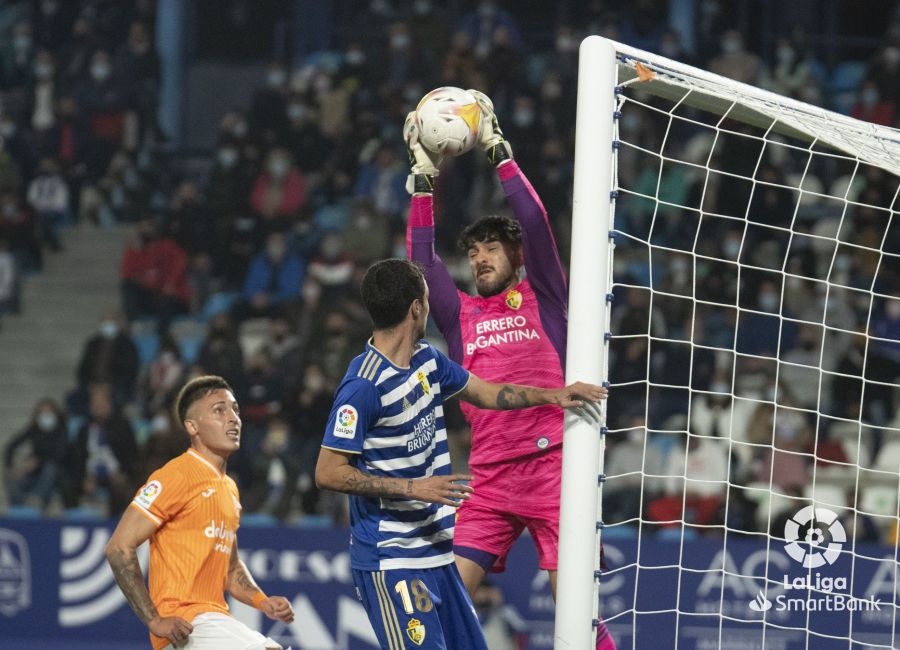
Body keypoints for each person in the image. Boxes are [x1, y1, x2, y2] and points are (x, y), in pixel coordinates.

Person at [404, 90, 617, 648]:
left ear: (515, 258)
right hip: (490, 478)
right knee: (444, 603)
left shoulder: (546, 296)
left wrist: (499, 152)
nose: (480, 259)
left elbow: (534, 220)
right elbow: (421, 265)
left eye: (491, 249)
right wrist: (423, 180)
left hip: (557, 470)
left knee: (578, 619)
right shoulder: (459, 316)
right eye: (473, 252)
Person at [315, 259, 605, 650]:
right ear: (417, 307)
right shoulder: (364, 386)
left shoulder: (428, 360)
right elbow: (328, 472)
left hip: (437, 552)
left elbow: (484, 392)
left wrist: (551, 395)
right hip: (392, 559)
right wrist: (414, 487)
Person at [105, 375, 294, 650]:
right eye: (219, 410)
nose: (233, 419)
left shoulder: (229, 488)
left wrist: (261, 601)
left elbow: (230, 568)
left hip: (212, 620)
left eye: (235, 409)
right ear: (192, 426)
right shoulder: (176, 475)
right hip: (187, 624)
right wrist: (154, 620)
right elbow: (119, 547)